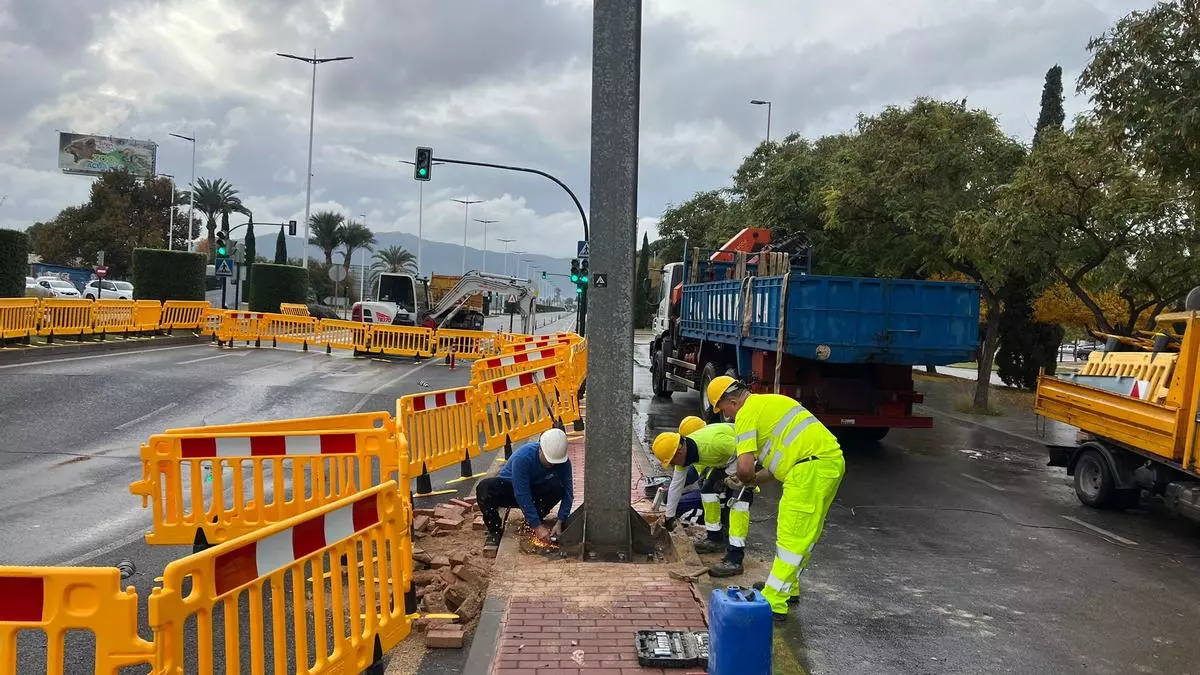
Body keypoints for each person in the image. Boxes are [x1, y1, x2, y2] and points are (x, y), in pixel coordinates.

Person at [706, 375, 844, 622]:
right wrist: (752, 481)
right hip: (828, 464)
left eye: (724, 410)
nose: (727, 416)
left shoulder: (746, 413)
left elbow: (745, 467)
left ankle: (774, 600)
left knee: (791, 536)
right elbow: (774, 466)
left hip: (808, 472)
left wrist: (742, 479)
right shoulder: (771, 403)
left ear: (733, 401)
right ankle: (788, 586)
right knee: (806, 534)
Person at [652, 416, 753, 577]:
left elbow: (745, 451)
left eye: (671, 461)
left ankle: (735, 558)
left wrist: (731, 475)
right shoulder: (685, 456)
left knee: (738, 503)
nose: (672, 465)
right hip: (726, 462)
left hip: (747, 459)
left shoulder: (714, 443)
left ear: (679, 451)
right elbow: (676, 485)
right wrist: (669, 516)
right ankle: (715, 538)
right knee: (708, 491)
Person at [475, 428, 573, 547]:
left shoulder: (563, 462)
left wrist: (560, 521)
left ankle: (535, 518)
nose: (552, 464)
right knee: (485, 488)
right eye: (549, 461)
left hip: (536, 493)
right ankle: (494, 530)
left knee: (558, 487)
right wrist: (537, 526)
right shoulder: (523, 457)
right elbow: (522, 493)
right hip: (512, 489)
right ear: (540, 449)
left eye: (555, 462)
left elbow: (568, 493)